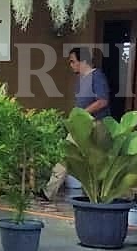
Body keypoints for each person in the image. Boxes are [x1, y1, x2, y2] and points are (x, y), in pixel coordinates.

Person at [42, 46, 111, 201]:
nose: (71, 65)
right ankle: (49, 192)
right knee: (67, 155)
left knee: (80, 157)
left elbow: (102, 101)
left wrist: (83, 114)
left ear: (83, 61)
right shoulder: (82, 80)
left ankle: (95, 195)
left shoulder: (97, 77)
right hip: (81, 125)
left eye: (73, 61)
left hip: (93, 124)